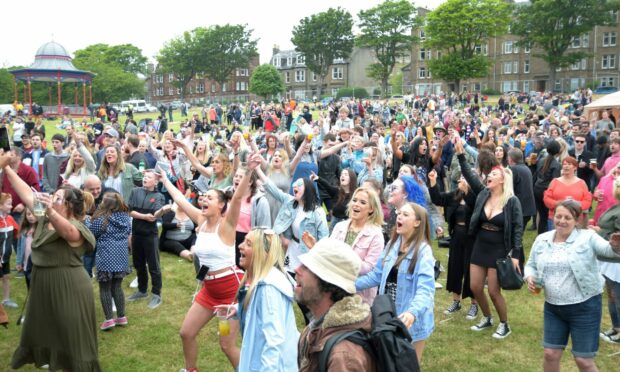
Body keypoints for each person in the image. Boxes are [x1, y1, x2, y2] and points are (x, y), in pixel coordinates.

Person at [0, 151, 101, 371]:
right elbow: (27, 193)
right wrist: (6, 167)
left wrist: (49, 210)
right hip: (43, 284)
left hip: (69, 287)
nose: (51, 198)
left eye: (57, 197)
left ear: (68, 206)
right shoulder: (45, 215)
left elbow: (69, 233)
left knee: (72, 339)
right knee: (48, 332)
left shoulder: (77, 226)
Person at [159, 153, 255, 371]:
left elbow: (238, 198)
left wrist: (249, 169)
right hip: (209, 292)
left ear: (222, 206)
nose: (204, 199)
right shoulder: (201, 221)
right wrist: (165, 180)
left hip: (229, 295)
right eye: (204, 197)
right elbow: (180, 200)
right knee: (186, 333)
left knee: (226, 344)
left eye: (210, 197)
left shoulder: (227, 225)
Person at [525, 200, 620, 372]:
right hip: (553, 308)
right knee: (550, 354)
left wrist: (616, 246)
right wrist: (529, 276)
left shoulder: (587, 237)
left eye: (567, 218)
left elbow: (607, 251)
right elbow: (530, 264)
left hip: (585, 307)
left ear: (576, 220)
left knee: (583, 361)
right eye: (558, 216)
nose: (561, 221)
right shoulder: (542, 239)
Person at [456, 137, 523, 339]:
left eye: (494, 174)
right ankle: (487, 317)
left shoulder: (511, 201)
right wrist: (461, 154)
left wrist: (516, 254)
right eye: (489, 174)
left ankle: (505, 324)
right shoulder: (483, 194)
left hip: (498, 248)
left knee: (494, 291)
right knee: (475, 286)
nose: (488, 176)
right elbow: (470, 175)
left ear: (502, 179)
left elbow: (518, 228)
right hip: (480, 245)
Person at [356, 202, 435, 361]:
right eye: (400, 213)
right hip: (388, 316)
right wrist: (349, 285)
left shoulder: (423, 252)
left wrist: (412, 313)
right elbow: (376, 275)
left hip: (411, 321)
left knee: (408, 365)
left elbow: (425, 290)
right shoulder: (392, 245)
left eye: (406, 215)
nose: (399, 216)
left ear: (417, 223)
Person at [216, 228, 299, 371]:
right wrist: (238, 308)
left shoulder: (268, 289)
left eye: (248, 244)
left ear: (263, 254)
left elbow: (274, 341)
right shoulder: (262, 281)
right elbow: (262, 311)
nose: (240, 246)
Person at [295, 238, 376, 371]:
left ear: (328, 283)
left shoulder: (344, 357)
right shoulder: (316, 327)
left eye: (307, 267)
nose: (297, 269)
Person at [304, 187, 385, 305]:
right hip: (333, 290)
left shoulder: (376, 234)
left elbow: (369, 267)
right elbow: (329, 253)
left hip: (358, 298)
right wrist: (316, 247)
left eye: (362, 202)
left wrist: (342, 260)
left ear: (371, 209)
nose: (356, 204)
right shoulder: (339, 227)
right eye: (355, 200)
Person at [429, 170, 478, 319]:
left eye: (465, 178)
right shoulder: (454, 195)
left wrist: (467, 192)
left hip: (472, 238)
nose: (461, 181)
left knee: (470, 271)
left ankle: (474, 304)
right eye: (461, 178)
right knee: (455, 268)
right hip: (456, 236)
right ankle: (456, 301)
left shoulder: (477, 196)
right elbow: (437, 199)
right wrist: (433, 181)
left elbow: (476, 207)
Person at [87, 192, 132, 330]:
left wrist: (88, 220)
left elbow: (90, 231)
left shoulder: (101, 220)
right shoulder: (126, 218)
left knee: (105, 289)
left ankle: (108, 320)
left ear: (105, 204)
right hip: (121, 259)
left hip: (106, 259)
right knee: (117, 287)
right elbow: (129, 231)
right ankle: (121, 317)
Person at [587, 178, 620, 345]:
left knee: (617, 295)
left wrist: (598, 232)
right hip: (608, 258)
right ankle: (616, 327)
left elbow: (618, 237)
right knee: (612, 295)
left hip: (615, 260)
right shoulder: (616, 206)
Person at [543, 156, 592, 229]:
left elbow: (588, 201)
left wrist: (575, 204)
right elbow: (546, 199)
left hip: (576, 220)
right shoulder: (554, 182)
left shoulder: (582, 183)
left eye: (569, 164)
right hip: (556, 219)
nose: (566, 166)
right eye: (564, 164)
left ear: (575, 167)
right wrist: (559, 203)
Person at [0, 193, 19, 308]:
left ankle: (5, 300)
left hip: (5, 257)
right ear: (0, 206)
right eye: (8, 204)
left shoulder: (10, 219)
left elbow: (17, 233)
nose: (11, 206)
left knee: (6, 277)